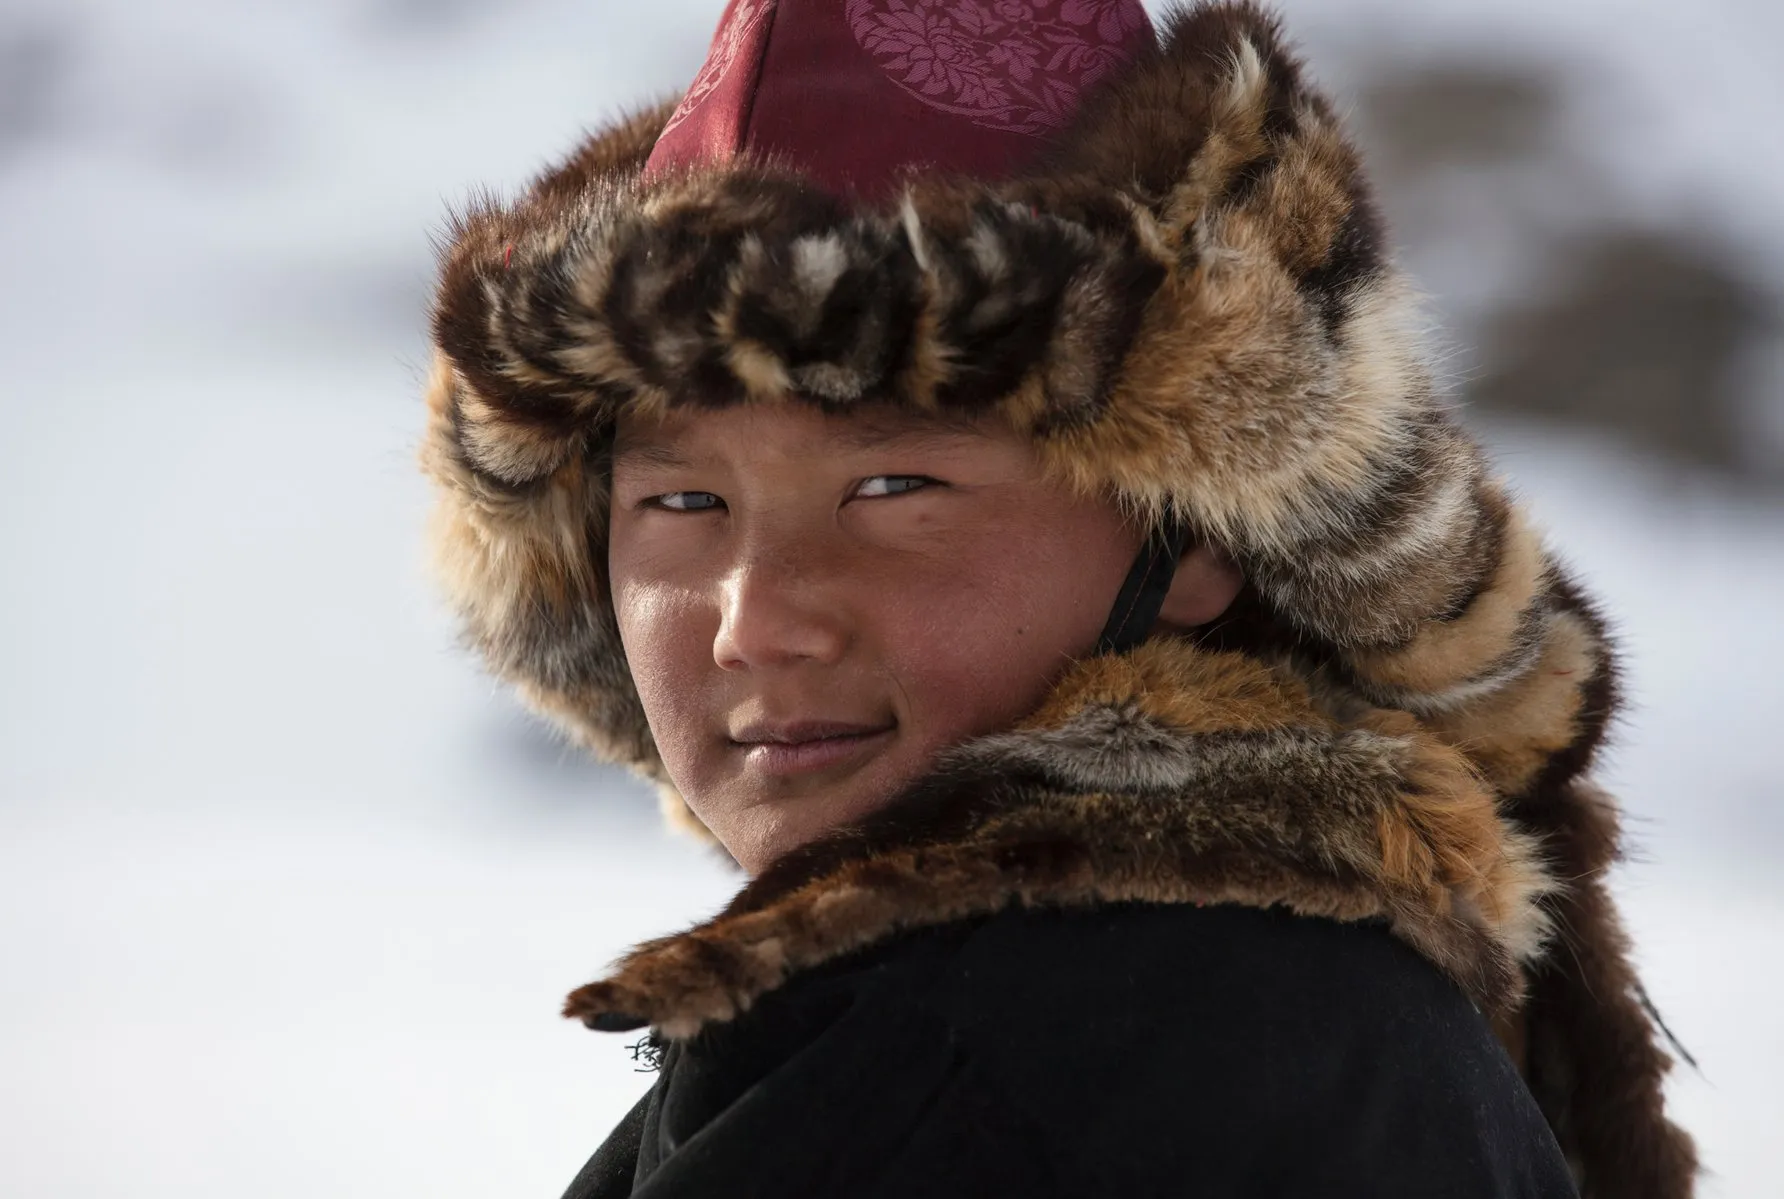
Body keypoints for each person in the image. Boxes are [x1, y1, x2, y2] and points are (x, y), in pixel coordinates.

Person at [420, 2, 1697, 1195]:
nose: (756, 621)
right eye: (682, 505)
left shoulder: (995, 1057)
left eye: (895, 483)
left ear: (1194, 532)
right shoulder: (1289, 995)